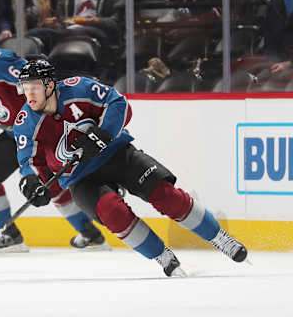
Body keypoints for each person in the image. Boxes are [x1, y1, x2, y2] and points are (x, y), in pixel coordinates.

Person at [13, 59, 249, 277]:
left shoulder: (79, 88)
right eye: (25, 87)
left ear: (50, 85)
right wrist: (33, 184)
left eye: (34, 86)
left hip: (116, 153)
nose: (28, 93)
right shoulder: (25, 123)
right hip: (81, 178)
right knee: (113, 213)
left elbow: (118, 103)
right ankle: (162, 256)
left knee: (166, 195)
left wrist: (103, 133)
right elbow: (29, 163)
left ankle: (220, 238)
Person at [0, 16, 109, 252]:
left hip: (38, 130)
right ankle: (20, 235)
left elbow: (40, 83)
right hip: (18, 135)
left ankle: (93, 232)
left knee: (52, 184)